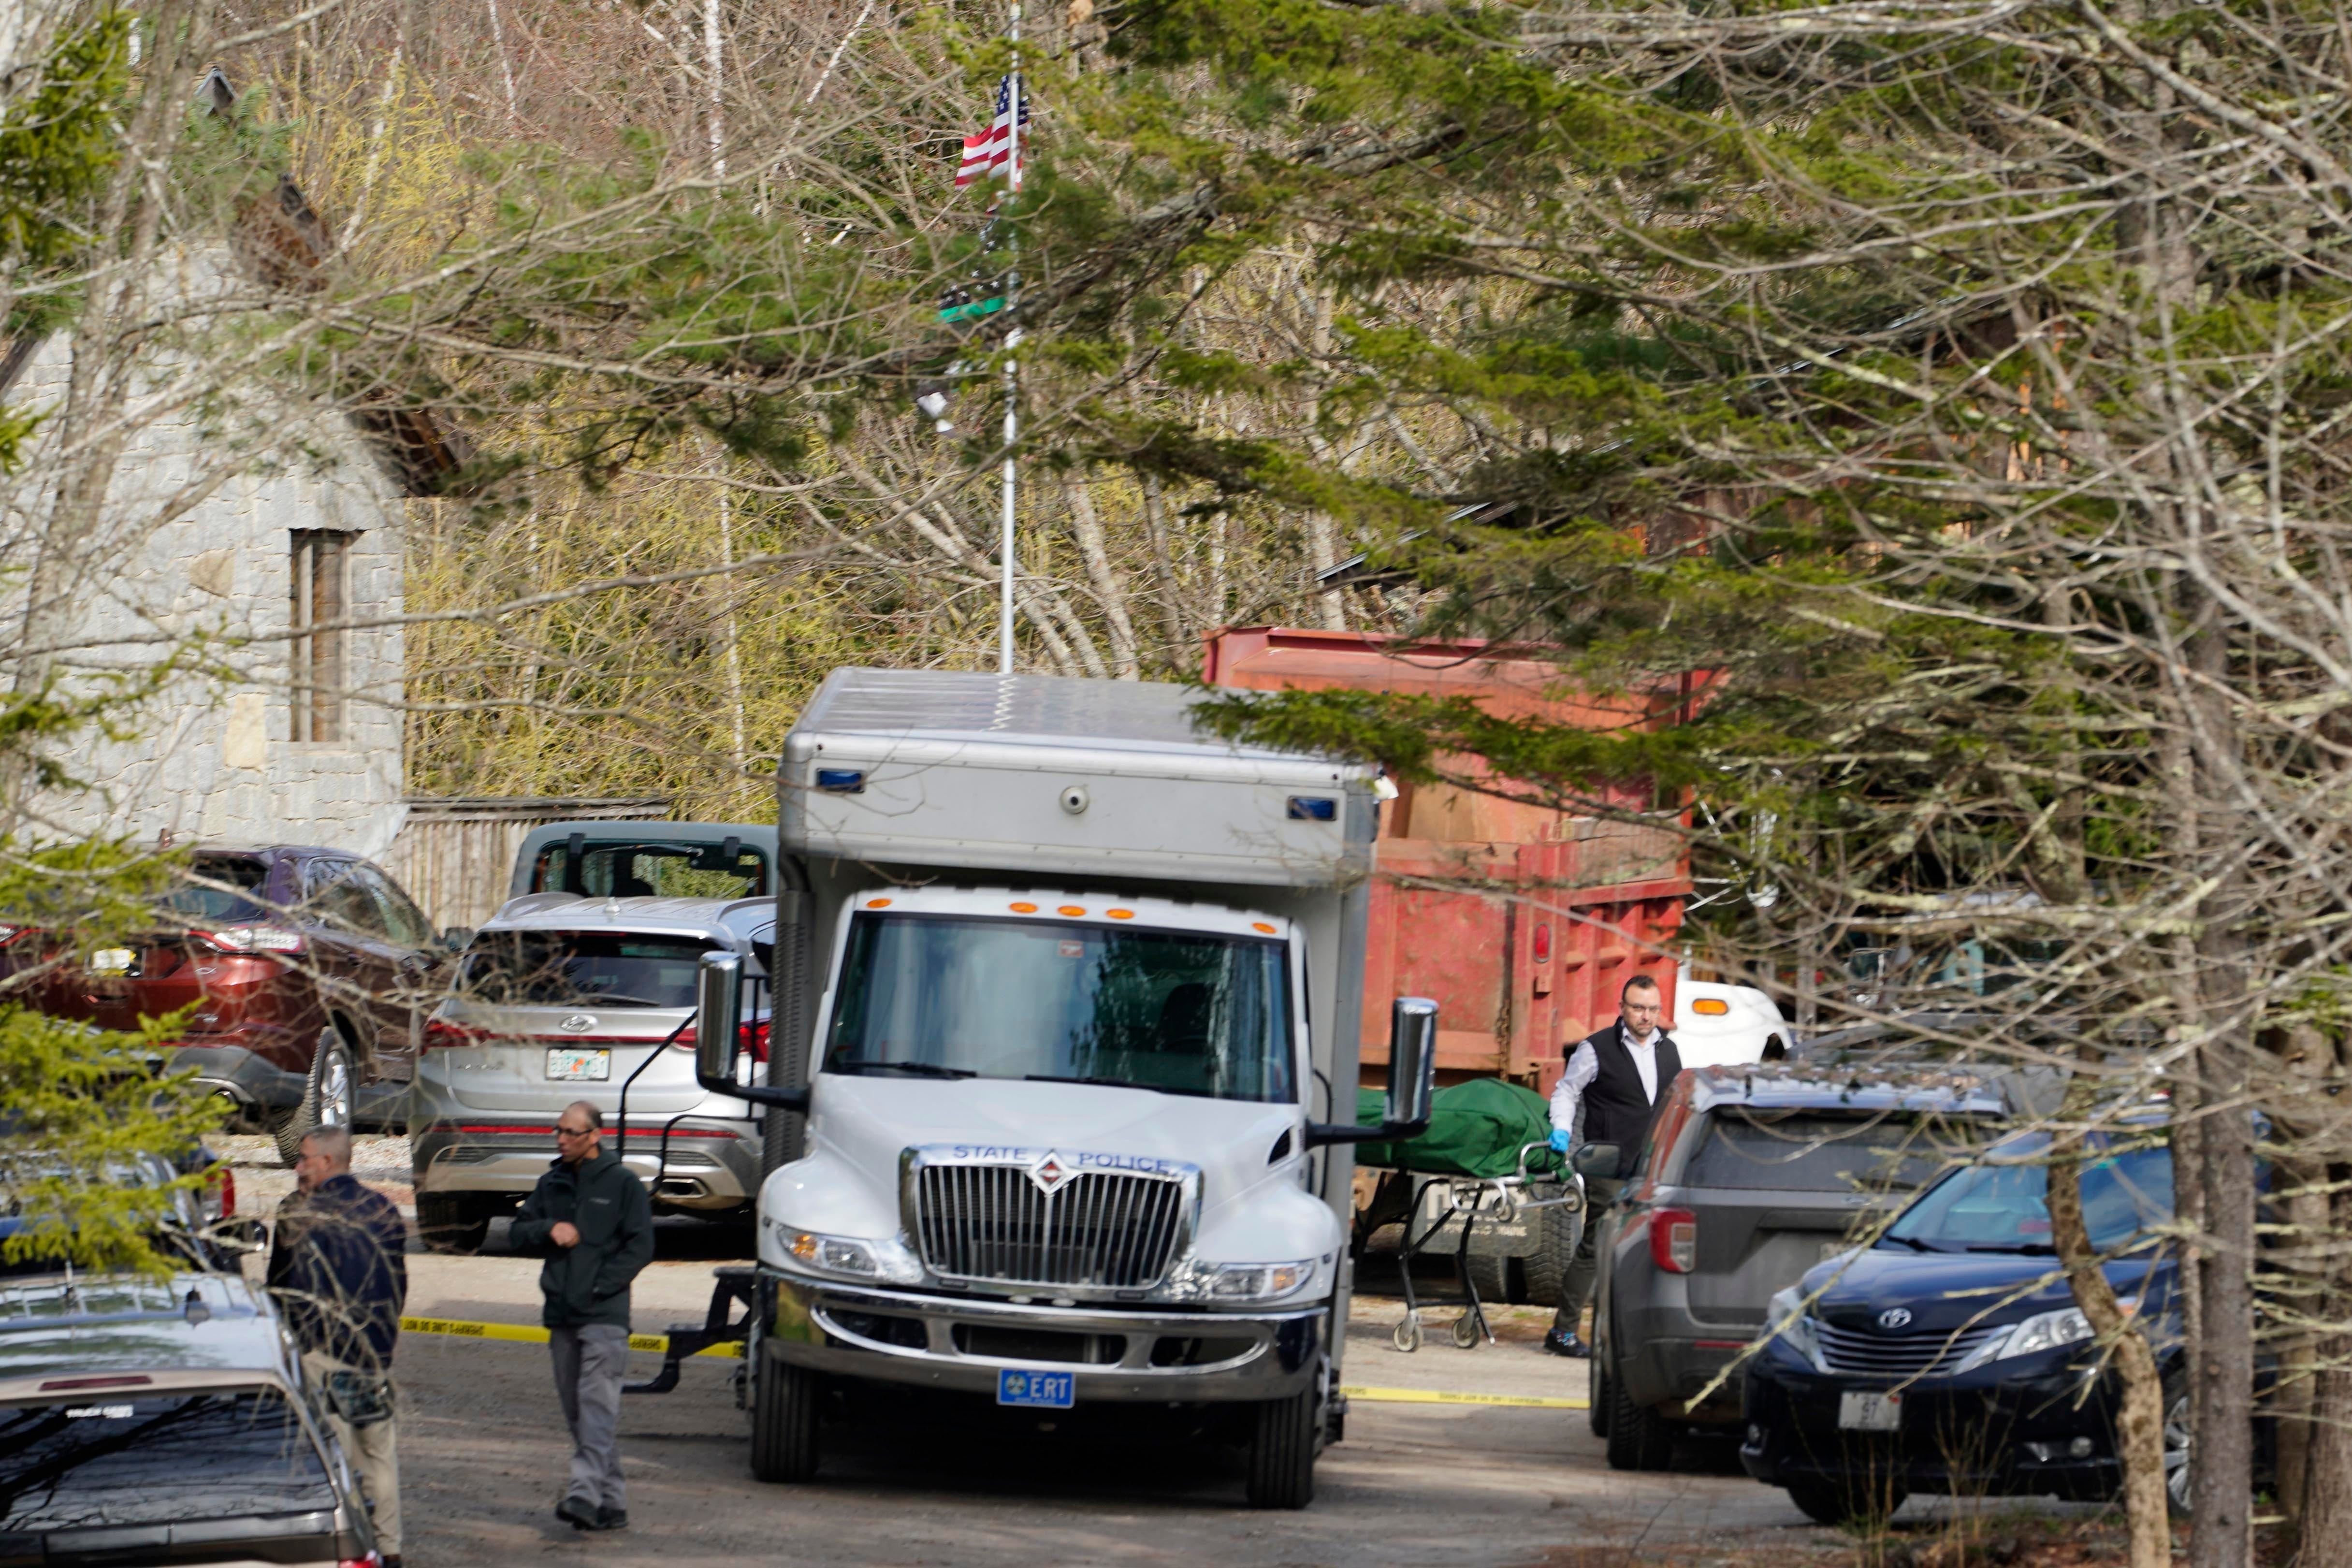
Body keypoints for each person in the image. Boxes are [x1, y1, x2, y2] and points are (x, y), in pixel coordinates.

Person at [266, 1124, 408, 1568]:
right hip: (374, 1355)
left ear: (327, 1162)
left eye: (305, 1158)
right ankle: (391, 1550)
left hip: (324, 1357)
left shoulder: (306, 1214)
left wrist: (297, 1346)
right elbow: (398, 1285)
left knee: (338, 1459)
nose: (299, 1166)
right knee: (379, 1456)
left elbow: (290, 1290)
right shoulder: (384, 1209)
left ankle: (351, 1551)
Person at [509, 1101, 654, 1533]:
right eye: (559, 1131)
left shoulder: (623, 1184)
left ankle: (583, 1493)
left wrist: (599, 1286)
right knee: (581, 1413)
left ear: (595, 1136)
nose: (562, 1139)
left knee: (596, 1406)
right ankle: (612, 1503)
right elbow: (518, 1232)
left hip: (605, 1315)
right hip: (561, 1314)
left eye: (572, 1133)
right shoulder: (550, 1184)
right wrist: (547, 1229)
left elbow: (641, 1246)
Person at [1543, 973, 1682, 1358]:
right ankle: (1563, 1332)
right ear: (1622, 1009)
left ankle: (1630, 1334)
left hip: (1653, 1167)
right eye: (1638, 1008)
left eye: (1653, 1009)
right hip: (1606, 1163)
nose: (1646, 1016)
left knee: (1644, 1250)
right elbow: (1567, 1092)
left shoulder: (1669, 1052)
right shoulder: (1596, 1048)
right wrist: (1560, 1131)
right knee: (1598, 1246)